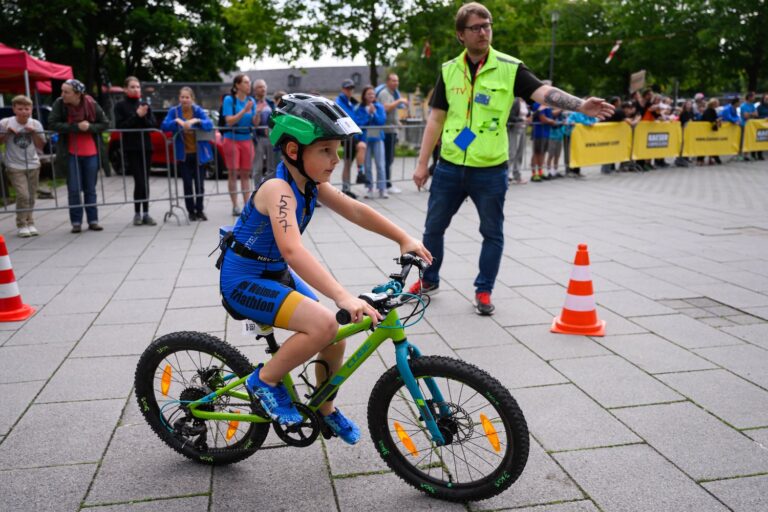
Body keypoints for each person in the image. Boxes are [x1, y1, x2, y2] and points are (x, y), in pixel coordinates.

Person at [217, 93, 432, 437]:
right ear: (293, 151)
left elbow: (356, 209)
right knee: (324, 325)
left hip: (274, 274)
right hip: (243, 279)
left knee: (334, 332)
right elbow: (293, 251)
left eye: (337, 149)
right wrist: (343, 295)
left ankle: (324, 406)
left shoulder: (312, 184)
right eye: (326, 150)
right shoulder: (278, 190)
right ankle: (264, 380)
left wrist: (403, 237)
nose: (336, 158)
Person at [410, 2, 613, 315]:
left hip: (490, 169)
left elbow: (545, 94)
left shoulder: (509, 67)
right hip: (450, 165)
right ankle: (429, 279)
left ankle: (484, 290)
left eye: (487, 25)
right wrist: (423, 164)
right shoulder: (449, 70)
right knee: (432, 230)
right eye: (475, 27)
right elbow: (436, 119)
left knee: (492, 233)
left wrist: (581, 104)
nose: (483, 31)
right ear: (460, 35)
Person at [49, 78, 109, 233]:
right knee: (74, 189)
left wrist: (90, 127)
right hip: (70, 153)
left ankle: (93, 220)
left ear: (77, 94)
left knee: (90, 188)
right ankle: (76, 222)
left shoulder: (91, 104)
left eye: (66, 92)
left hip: (91, 152)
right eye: (62, 91)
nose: (62, 94)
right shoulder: (59, 104)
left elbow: (105, 123)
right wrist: (76, 127)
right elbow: (52, 123)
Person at [161, 87, 214, 221]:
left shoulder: (198, 111)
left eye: (187, 97)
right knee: (187, 184)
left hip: (199, 154)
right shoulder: (174, 111)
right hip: (183, 155)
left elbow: (209, 124)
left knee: (199, 184)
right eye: (182, 97)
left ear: (192, 99)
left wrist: (196, 121)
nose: (185, 100)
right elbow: (164, 125)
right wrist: (176, 122)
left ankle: (200, 210)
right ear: (179, 98)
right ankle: (191, 211)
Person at [113, 76, 157, 226]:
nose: (136, 89)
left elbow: (152, 125)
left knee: (145, 181)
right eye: (132, 87)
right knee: (139, 181)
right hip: (132, 147)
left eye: (138, 87)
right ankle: (137, 213)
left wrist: (143, 117)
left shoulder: (145, 105)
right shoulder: (120, 106)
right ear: (125, 89)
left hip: (146, 147)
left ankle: (146, 213)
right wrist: (137, 115)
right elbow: (121, 126)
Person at [0, 95, 46, 237]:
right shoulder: (6, 122)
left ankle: (30, 221)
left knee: (31, 195)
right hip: (14, 165)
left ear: (31, 109)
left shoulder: (35, 123)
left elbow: (41, 145)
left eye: (27, 108)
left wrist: (33, 133)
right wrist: (7, 133)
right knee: (23, 195)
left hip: (33, 163)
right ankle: (21, 224)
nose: (24, 112)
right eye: (20, 109)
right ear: (14, 109)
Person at [221, 74, 257, 216]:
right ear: (237, 85)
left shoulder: (251, 100)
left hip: (247, 139)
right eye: (246, 82)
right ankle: (235, 205)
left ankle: (247, 206)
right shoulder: (229, 100)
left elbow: (253, 122)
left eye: (249, 82)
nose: (249, 85)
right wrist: (244, 111)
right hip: (232, 139)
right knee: (233, 172)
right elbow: (229, 121)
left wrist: (258, 114)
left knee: (245, 173)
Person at [376, 73, 408, 194]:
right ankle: (387, 184)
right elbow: (386, 108)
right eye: (394, 81)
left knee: (389, 159)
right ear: (388, 82)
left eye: (397, 81)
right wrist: (399, 100)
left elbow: (391, 112)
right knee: (387, 159)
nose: (396, 83)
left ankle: (386, 183)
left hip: (392, 130)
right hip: (386, 132)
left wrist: (398, 122)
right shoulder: (385, 93)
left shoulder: (392, 94)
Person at [335, 79, 367, 198]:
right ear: (343, 89)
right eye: (348, 88)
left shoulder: (352, 103)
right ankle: (360, 173)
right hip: (346, 135)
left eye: (352, 88)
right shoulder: (339, 101)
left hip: (353, 133)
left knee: (348, 163)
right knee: (361, 146)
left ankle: (346, 188)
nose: (350, 91)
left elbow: (357, 120)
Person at [356, 86, 388, 198]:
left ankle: (382, 189)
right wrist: (369, 115)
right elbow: (360, 123)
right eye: (369, 94)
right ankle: (369, 188)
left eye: (373, 94)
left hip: (378, 137)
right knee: (367, 165)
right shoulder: (360, 108)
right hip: (366, 139)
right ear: (364, 95)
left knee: (380, 164)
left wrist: (374, 113)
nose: (371, 96)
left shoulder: (379, 107)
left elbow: (381, 121)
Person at [252, 79, 277, 183]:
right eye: (260, 87)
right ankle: (257, 191)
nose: (263, 89)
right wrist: (257, 112)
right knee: (258, 168)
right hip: (258, 139)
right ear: (255, 90)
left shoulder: (270, 103)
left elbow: (275, 120)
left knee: (272, 168)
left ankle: (270, 189)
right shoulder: (252, 103)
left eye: (264, 86)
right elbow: (254, 123)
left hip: (270, 138)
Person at [507, 97, 529, 184]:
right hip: (514, 129)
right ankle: (506, 175)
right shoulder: (515, 101)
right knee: (512, 153)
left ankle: (517, 175)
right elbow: (510, 116)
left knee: (520, 153)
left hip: (522, 129)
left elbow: (527, 114)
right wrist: (521, 120)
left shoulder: (525, 102)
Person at [700, 98, 722, 165]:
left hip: (711, 130)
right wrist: (716, 120)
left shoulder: (712, 110)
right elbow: (709, 120)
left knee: (712, 144)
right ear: (714, 104)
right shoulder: (709, 111)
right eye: (717, 103)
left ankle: (712, 159)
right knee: (705, 145)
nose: (718, 104)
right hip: (706, 130)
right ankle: (701, 159)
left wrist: (717, 120)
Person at [546, 108, 565, 177]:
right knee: (551, 155)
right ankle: (549, 171)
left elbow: (564, 122)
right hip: (552, 137)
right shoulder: (551, 113)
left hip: (559, 137)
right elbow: (552, 115)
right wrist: (560, 109)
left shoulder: (561, 115)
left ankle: (555, 171)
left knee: (557, 155)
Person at [739, 92, 759, 161]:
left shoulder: (752, 105)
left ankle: (747, 155)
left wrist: (750, 114)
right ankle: (742, 154)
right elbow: (745, 116)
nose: (754, 98)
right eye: (753, 97)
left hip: (751, 125)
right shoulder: (743, 106)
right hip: (744, 125)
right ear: (749, 97)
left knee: (750, 140)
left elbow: (756, 114)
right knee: (744, 140)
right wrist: (752, 114)